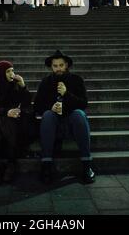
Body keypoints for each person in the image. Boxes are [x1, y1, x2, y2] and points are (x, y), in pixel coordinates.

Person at [34, 50, 95, 185]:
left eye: (61, 65)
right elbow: (37, 105)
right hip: (53, 122)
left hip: (72, 121)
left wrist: (66, 94)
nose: (58, 69)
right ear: (51, 66)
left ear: (66, 65)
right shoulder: (46, 82)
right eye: (55, 66)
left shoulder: (76, 80)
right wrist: (50, 107)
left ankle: (86, 165)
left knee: (79, 114)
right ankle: (46, 165)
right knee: (48, 115)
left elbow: (83, 103)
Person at [0, 61, 32, 185]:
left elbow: (27, 103)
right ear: (1, 73)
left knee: (1, 122)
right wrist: (6, 111)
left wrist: (23, 86)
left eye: (13, 70)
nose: (12, 74)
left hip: (15, 121)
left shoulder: (16, 86)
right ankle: (4, 164)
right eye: (8, 71)